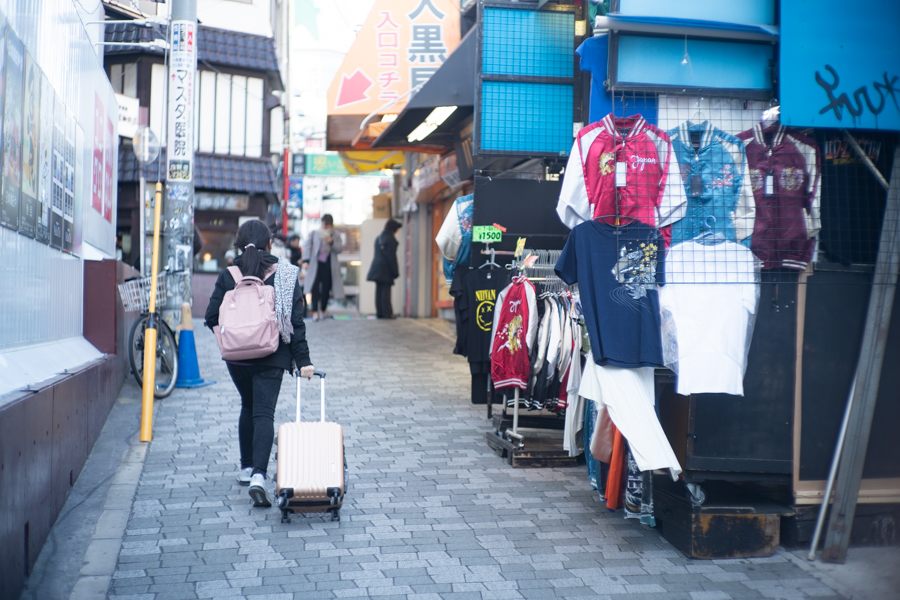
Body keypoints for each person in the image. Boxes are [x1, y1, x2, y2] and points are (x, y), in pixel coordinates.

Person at [205, 220, 315, 507]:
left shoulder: (229, 272)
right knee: (264, 413)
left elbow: (210, 317)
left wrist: (230, 339)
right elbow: (295, 322)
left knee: (248, 406)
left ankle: (245, 467)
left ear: (239, 243)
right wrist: (303, 360)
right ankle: (258, 476)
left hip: (237, 359)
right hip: (272, 355)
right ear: (270, 243)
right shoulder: (286, 273)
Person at [302, 214, 344, 321]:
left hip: (329, 265)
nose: (327, 228)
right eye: (325, 225)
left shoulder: (335, 234)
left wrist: (331, 242)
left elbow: (339, 249)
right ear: (322, 223)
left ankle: (323, 311)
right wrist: (305, 261)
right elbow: (306, 247)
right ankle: (315, 311)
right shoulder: (314, 234)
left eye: (329, 226)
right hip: (315, 265)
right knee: (315, 288)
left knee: (326, 289)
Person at [366, 219, 402, 319]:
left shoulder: (379, 238)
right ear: (393, 230)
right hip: (386, 269)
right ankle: (387, 313)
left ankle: (380, 313)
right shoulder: (390, 239)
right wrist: (395, 271)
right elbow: (391, 257)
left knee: (379, 290)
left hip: (377, 268)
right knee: (386, 291)